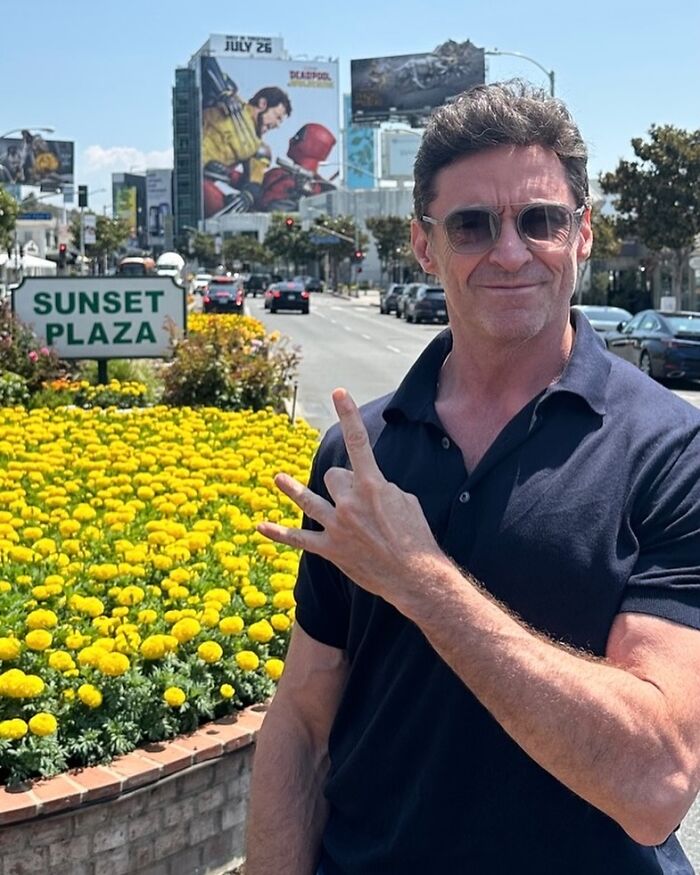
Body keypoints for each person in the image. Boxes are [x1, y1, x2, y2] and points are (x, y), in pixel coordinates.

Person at [246, 82, 700, 874]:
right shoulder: (362, 448)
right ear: (426, 247)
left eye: (541, 219)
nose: (511, 250)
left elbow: (655, 781)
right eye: (472, 225)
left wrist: (422, 580)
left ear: (582, 233)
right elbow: (304, 719)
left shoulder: (671, 450)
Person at [201, 58, 292, 217]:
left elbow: (254, 183)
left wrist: (246, 197)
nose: (277, 125)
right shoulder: (230, 97)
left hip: (204, 184)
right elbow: (206, 63)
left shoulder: (259, 149)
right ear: (263, 104)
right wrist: (222, 93)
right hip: (187, 168)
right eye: (277, 117)